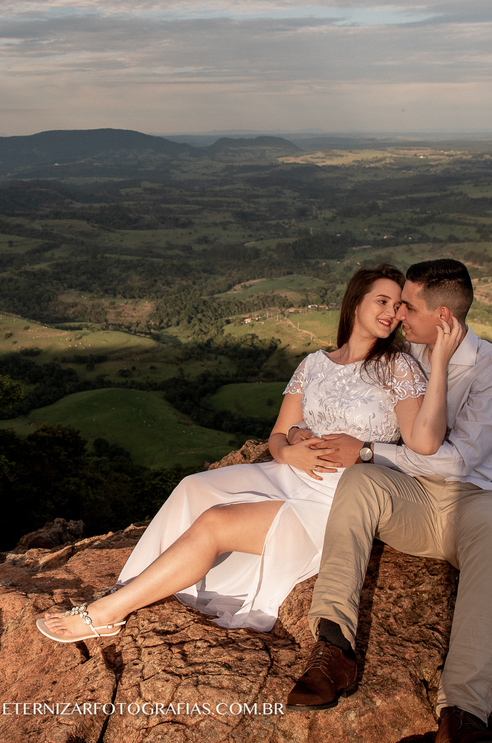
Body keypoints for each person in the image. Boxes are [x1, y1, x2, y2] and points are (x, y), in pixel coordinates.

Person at [36, 263, 463, 644]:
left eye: (399, 305)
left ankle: (108, 614)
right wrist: (288, 453)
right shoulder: (314, 363)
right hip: (288, 474)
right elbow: (277, 436)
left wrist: (438, 364)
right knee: (192, 487)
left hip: (340, 496)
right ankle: (129, 585)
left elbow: (424, 443)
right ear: (355, 303)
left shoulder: (398, 367)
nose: (393, 313)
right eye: (382, 301)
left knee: (216, 523)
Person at [283, 259, 492, 743]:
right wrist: (299, 433)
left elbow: (459, 463)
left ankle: (462, 714)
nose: (397, 316)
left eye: (408, 307)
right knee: (358, 483)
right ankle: (333, 649)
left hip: (474, 503)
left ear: (443, 318)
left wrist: (369, 450)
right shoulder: (406, 353)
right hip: (411, 499)